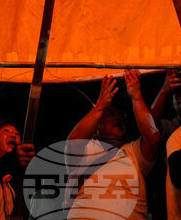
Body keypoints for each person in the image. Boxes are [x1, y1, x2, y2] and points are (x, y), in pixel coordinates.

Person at [65, 71, 159, 219]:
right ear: (96, 127)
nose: (119, 117)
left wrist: (136, 97)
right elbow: (74, 141)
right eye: (111, 114)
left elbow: (153, 139)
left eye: (121, 116)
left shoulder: (133, 152)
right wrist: (101, 106)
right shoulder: (89, 150)